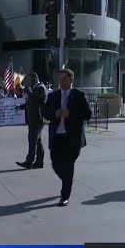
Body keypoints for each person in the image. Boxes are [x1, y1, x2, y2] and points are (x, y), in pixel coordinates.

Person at [43, 69, 92, 206]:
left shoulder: (79, 96)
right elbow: (45, 113)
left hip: (72, 138)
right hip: (57, 137)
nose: (61, 82)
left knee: (69, 165)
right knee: (55, 164)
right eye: (59, 79)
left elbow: (88, 114)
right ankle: (67, 180)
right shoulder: (53, 96)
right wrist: (55, 114)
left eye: (63, 79)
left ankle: (65, 196)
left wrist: (70, 114)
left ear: (71, 79)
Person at [16, 73, 47, 169]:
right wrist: (21, 107)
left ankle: (29, 161)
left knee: (32, 140)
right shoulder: (35, 88)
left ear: (34, 79)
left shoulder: (41, 88)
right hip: (33, 118)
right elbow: (30, 102)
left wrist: (29, 91)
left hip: (38, 119)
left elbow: (38, 101)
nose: (27, 83)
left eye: (29, 80)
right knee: (38, 141)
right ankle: (39, 161)